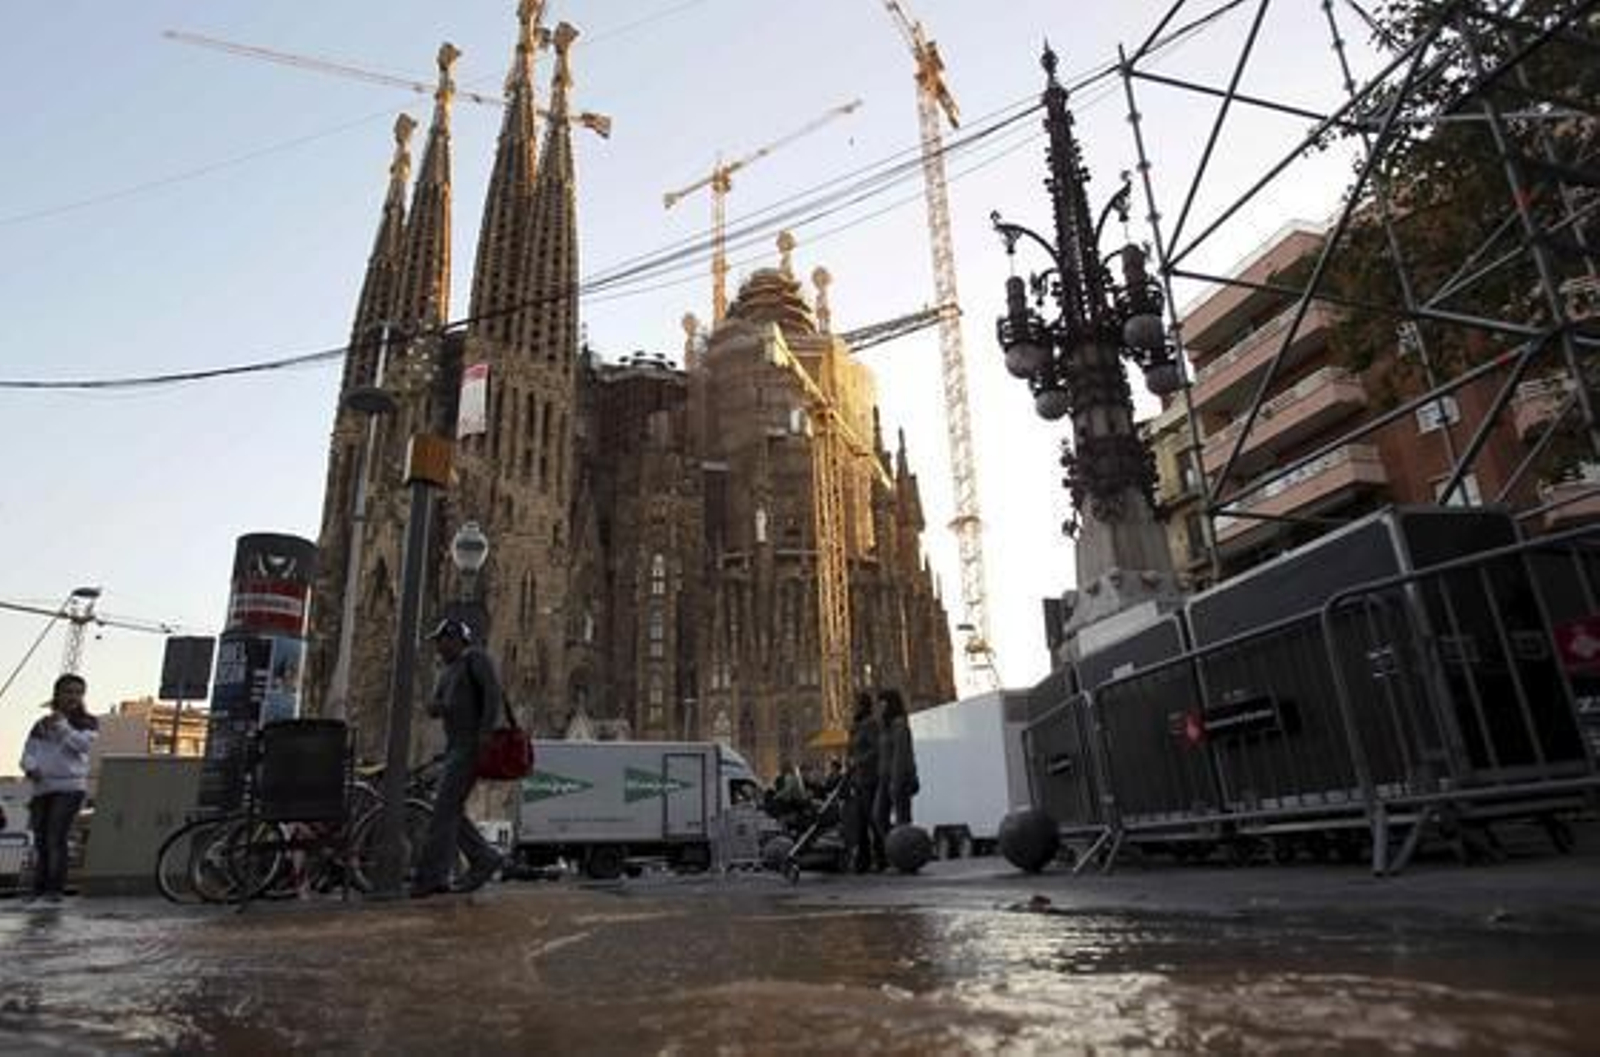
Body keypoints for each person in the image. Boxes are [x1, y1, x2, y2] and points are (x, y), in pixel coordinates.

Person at [411, 619, 506, 898]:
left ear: (455, 639)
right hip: (454, 746)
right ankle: (482, 858)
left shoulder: (474, 659)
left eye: (441, 641)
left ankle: (431, 877)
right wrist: (435, 707)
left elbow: (492, 694)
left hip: (469, 745)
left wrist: (485, 733)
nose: (438, 647)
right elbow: (439, 706)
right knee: (447, 809)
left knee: (443, 809)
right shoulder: (447, 671)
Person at [19, 674, 99, 903]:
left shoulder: (87, 722)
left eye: (78, 692)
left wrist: (63, 725)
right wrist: (30, 767)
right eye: (68, 692)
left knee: (56, 836)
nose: (73, 697)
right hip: (43, 787)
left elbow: (82, 746)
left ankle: (54, 889)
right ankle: (39, 888)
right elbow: (29, 752)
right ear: (58, 694)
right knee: (41, 839)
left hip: (70, 787)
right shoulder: (41, 724)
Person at [846, 691, 885, 873]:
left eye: (856, 704)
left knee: (872, 819)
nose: (853, 707)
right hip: (858, 780)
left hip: (870, 779)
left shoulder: (870, 724)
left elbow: (876, 749)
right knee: (860, 821)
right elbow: (852, 750)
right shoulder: (856, 726)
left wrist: (859, 760)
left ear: (863, 706)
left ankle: (881, 857)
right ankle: (863, 861)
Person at [876, 688, 918, 830]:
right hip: (885, 777)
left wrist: (896, 781)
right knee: (878, 816)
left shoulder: (899, 724)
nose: (879, 707)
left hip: (898, 777)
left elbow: (901, 755)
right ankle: (894, 841)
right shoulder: (885, 727)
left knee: (902, 819)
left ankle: (903, 842)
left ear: (890, 704)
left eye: (882, 703)